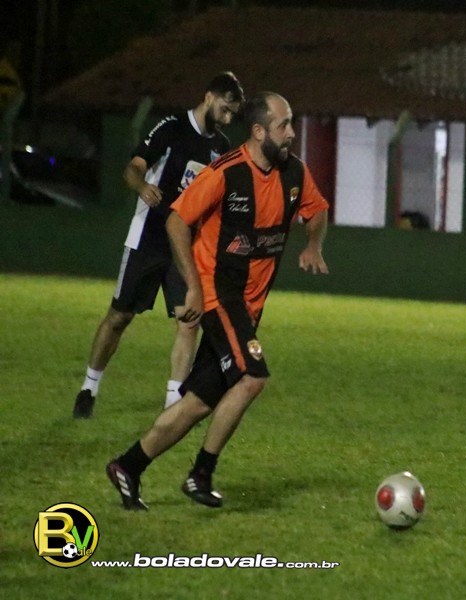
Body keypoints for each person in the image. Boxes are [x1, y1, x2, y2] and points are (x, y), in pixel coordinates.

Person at [105, 91, 330, 510]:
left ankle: (128, 467)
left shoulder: (295, 173)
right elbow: (176, 221)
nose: (292, 133)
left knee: (197, 403)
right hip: (219, 296)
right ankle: (201, 474)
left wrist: (313, 243)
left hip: (248, 307)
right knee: (253, 377)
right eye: (283, 125)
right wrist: (192, 286)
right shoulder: (225, 173)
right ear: (259, 131)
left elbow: (316, 210)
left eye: (291, 123)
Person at [72, 72, 245, 418]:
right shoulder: (171, 128)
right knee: (119, 317)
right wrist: (142, 187)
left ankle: (172, 405)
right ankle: (89, 387)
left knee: (189, 320)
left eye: (232, 114)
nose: (227, 119)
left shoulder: (221, 147)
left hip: (184, 247)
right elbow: (133, 169)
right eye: (225, 110)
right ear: (209, 97)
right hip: (148, 238)